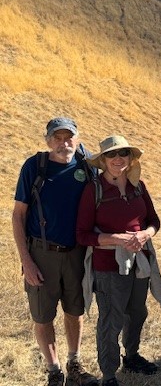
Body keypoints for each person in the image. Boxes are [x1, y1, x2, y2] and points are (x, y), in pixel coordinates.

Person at [11, 117, 99, 386]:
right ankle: (54, 371)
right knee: (43, 315)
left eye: (69, 137)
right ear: (48, 140)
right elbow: (18, 216)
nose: (64, 143)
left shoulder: (87, 166)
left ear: (78, 138)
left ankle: (74, 363)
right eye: (58, 138)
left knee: (76, 310)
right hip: (42, 253)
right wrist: (27, 261)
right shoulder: (34, 167)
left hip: (76, 252)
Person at [76, 135, 161, 386]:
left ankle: (132, 356)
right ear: (103, 160)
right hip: (108, 267)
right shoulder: (94, 189)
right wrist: (116, 238)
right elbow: (82, 235)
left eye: (123, 153)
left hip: (140, 262)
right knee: (110, 320)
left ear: (130, 158)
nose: (118, 159)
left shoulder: (138, 186)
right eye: (112, 155)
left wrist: (145, 235)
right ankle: (109, 374)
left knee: (137, 313)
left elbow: (154, 221)